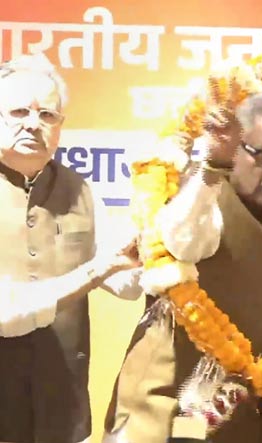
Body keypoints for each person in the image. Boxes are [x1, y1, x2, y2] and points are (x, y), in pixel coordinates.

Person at [104, 76, 262, 442]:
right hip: (158, 414)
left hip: (233, 417)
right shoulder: (195, 196)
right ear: (234, 147)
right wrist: (210, 167)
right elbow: (181, 243)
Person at [0, 53, 151, 443]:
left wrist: (157, 244)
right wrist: (100, 268)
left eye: (48, 115)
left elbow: (129, 284)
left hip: (62, 413)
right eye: (19, 111)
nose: (34, 124)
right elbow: (7, 310)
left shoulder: (82, 191)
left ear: (61, 126)